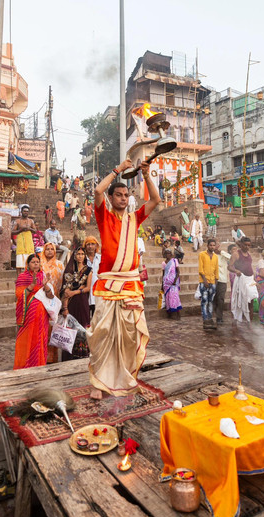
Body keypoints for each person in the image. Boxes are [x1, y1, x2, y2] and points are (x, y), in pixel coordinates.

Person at [88, 157, 159, 399]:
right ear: (111, 198)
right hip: (108, 284)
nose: (123, 198)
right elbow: (98, 190)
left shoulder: (134, 218)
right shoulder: (104, 216)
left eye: (126, 195)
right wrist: (119, 169)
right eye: (118, 195)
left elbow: (155, 200)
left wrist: (146, 175)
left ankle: (125, 377)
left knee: (129, 335)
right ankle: (99, 383)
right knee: (103, 333)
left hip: (131, 284)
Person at [14, 255, 54, 369]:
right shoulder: (22, 277)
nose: (36, 264)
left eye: (37, 262)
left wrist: (45, 285)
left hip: (42, 316)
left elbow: (51, 296)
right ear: (28, 264)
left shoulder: (43, 275)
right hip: (28, 315)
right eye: (33, 262)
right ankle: (24, 365)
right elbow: (19, 295)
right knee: (27, 338)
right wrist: (32, 285)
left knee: (39, 339)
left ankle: (39, 364)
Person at [61, 248, 93, 360]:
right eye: (78, 254)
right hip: (71, 303)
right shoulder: (70, 270)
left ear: (85, 256)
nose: (80, 256)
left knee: (82, 326)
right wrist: (65, 307)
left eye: (82, 254)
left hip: (82, 302)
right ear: (74, 255)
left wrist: (74, 292)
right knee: (70, 327)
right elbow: (65, 291)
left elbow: (88, 288)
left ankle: (82, 355)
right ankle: (69, 355)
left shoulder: (88, 270)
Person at [229, 237, 256, 323]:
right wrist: (236, 270)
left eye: (248, 245)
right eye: (245, 245)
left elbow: (249, 265)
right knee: (241, 300)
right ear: (241, 245)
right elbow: (229, 266)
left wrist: (254, 276)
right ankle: (240, 320)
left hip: (250, 279)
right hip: (242, 279)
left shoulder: (248, 254)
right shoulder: (236, 254)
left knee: (251, 300)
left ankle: (249, 321)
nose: (247, 247)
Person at [198, 239, 219, 329]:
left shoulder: (216, 257)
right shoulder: (202, 254)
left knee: (211, 301)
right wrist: (205, 281)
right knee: (204, 301)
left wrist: (216, 282)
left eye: (214, 245)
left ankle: (210, 318)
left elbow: (216, 270)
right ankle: (205, 320)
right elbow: (200, 269)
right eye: (211, 245)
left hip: (213, 282)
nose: (212, 247)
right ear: (207, 246)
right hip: (204, 282)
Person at [11, 204, 37, 273]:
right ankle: (19, 278)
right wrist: (21, 230)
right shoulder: (17, 221)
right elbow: (12, 232)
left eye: (27, 211)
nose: (26, 212)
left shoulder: (31, 221)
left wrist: (29, 229)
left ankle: (30, 277)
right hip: (20, 244)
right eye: (24, 211)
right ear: (21, 212)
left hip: (29, 243)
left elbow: (35, 231)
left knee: (30, 262)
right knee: (19, 264)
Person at [215, 244, 234, 326]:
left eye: (216, 245)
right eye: (213, 245)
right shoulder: (210, 255)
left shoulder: (223, 255)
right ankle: (213, 315)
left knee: (221, 298)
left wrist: (221, 252)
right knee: (214, 298)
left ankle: (219, 317)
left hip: (222, 280)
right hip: (212, 280)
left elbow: (231, 258)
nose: (215, 247)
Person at [162, 248, 182, 319]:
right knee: (168, 298)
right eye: (166, 253)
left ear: (171, 254)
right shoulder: (163, 263)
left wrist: (175, 280)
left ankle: (178, 314)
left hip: (173, 283)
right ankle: (169, 314)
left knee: (175, 297)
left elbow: (178, 272)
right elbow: (163, 274)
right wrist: (162, 285)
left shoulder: (174, 260)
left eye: (169, 253)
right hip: (166, 283)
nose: (167, 255)